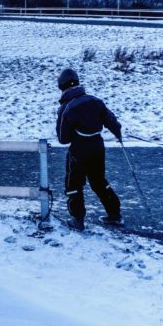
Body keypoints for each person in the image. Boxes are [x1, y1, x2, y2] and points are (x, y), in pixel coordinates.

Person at [55, 68, 122, 231]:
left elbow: (63, 139)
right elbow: (112, 121)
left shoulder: (65, 109)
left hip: (79, 151)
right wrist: (117, 133)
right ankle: (114, 214)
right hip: (98, 146)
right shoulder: (95, 100)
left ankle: (78, 220)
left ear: (61, 87)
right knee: (99, 181)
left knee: (73, 184)